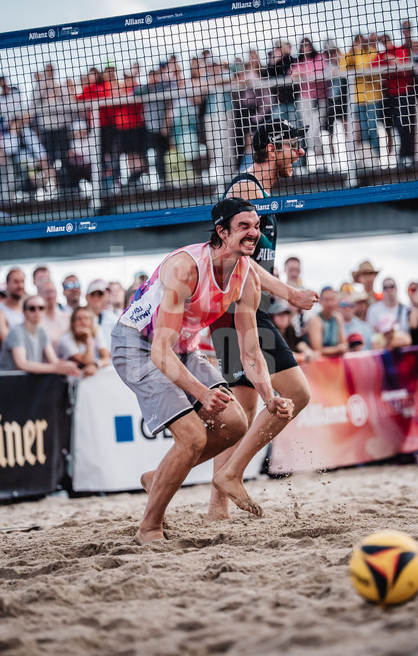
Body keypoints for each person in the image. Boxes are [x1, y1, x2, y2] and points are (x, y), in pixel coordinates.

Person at [113, 198, 295, 543]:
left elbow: (250, 351)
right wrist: (202, 392)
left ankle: (159, 477)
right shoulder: (185, 267)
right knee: (194, 436)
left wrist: (270, 396)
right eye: (244, 226)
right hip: (137, 346)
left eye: (256, 226)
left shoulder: (246, 277)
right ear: (221, 231)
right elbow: (159, 352)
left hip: (181, 348)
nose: (254, 233)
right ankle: (148, 528)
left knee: (236, 424)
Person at [206, 119, 318, 521]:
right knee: (297, 394)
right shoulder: (246, 190)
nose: (301, 153)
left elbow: (248, 264)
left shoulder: (259, 192)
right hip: (237, 310)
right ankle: (233, 474)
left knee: (240, 415)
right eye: (294, 146)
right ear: (272, 148)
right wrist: (290, 292)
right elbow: (239, 260)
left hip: (239, 308)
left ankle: (216, 508)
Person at [0, 294, 82, 376]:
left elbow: (53, 360)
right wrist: (55, 368)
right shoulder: (16, 331)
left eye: (41, 308)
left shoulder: (42, 331)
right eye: (32, 308)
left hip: (24, 383)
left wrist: (69, 367)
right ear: (24, 312)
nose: (37, 311)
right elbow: (22, 364)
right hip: (6, 383)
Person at [57, 306, 110, 376]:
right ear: (73, 323)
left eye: (87, 318)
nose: (83, 322)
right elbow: (87, 361)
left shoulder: (97, 332)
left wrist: (96, 364)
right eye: (79, 319)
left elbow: (106, 357)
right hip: (72, 382)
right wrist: (88, 338)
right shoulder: (66, 339)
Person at [306, 286, 347, 357]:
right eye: (326, 300)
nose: (330, 303)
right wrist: (337, 349)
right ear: (320, 301)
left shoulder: (338, 318)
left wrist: (340, 348)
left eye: (332, 299)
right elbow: (317, 349)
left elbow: (344, 344)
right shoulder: (315, 320)